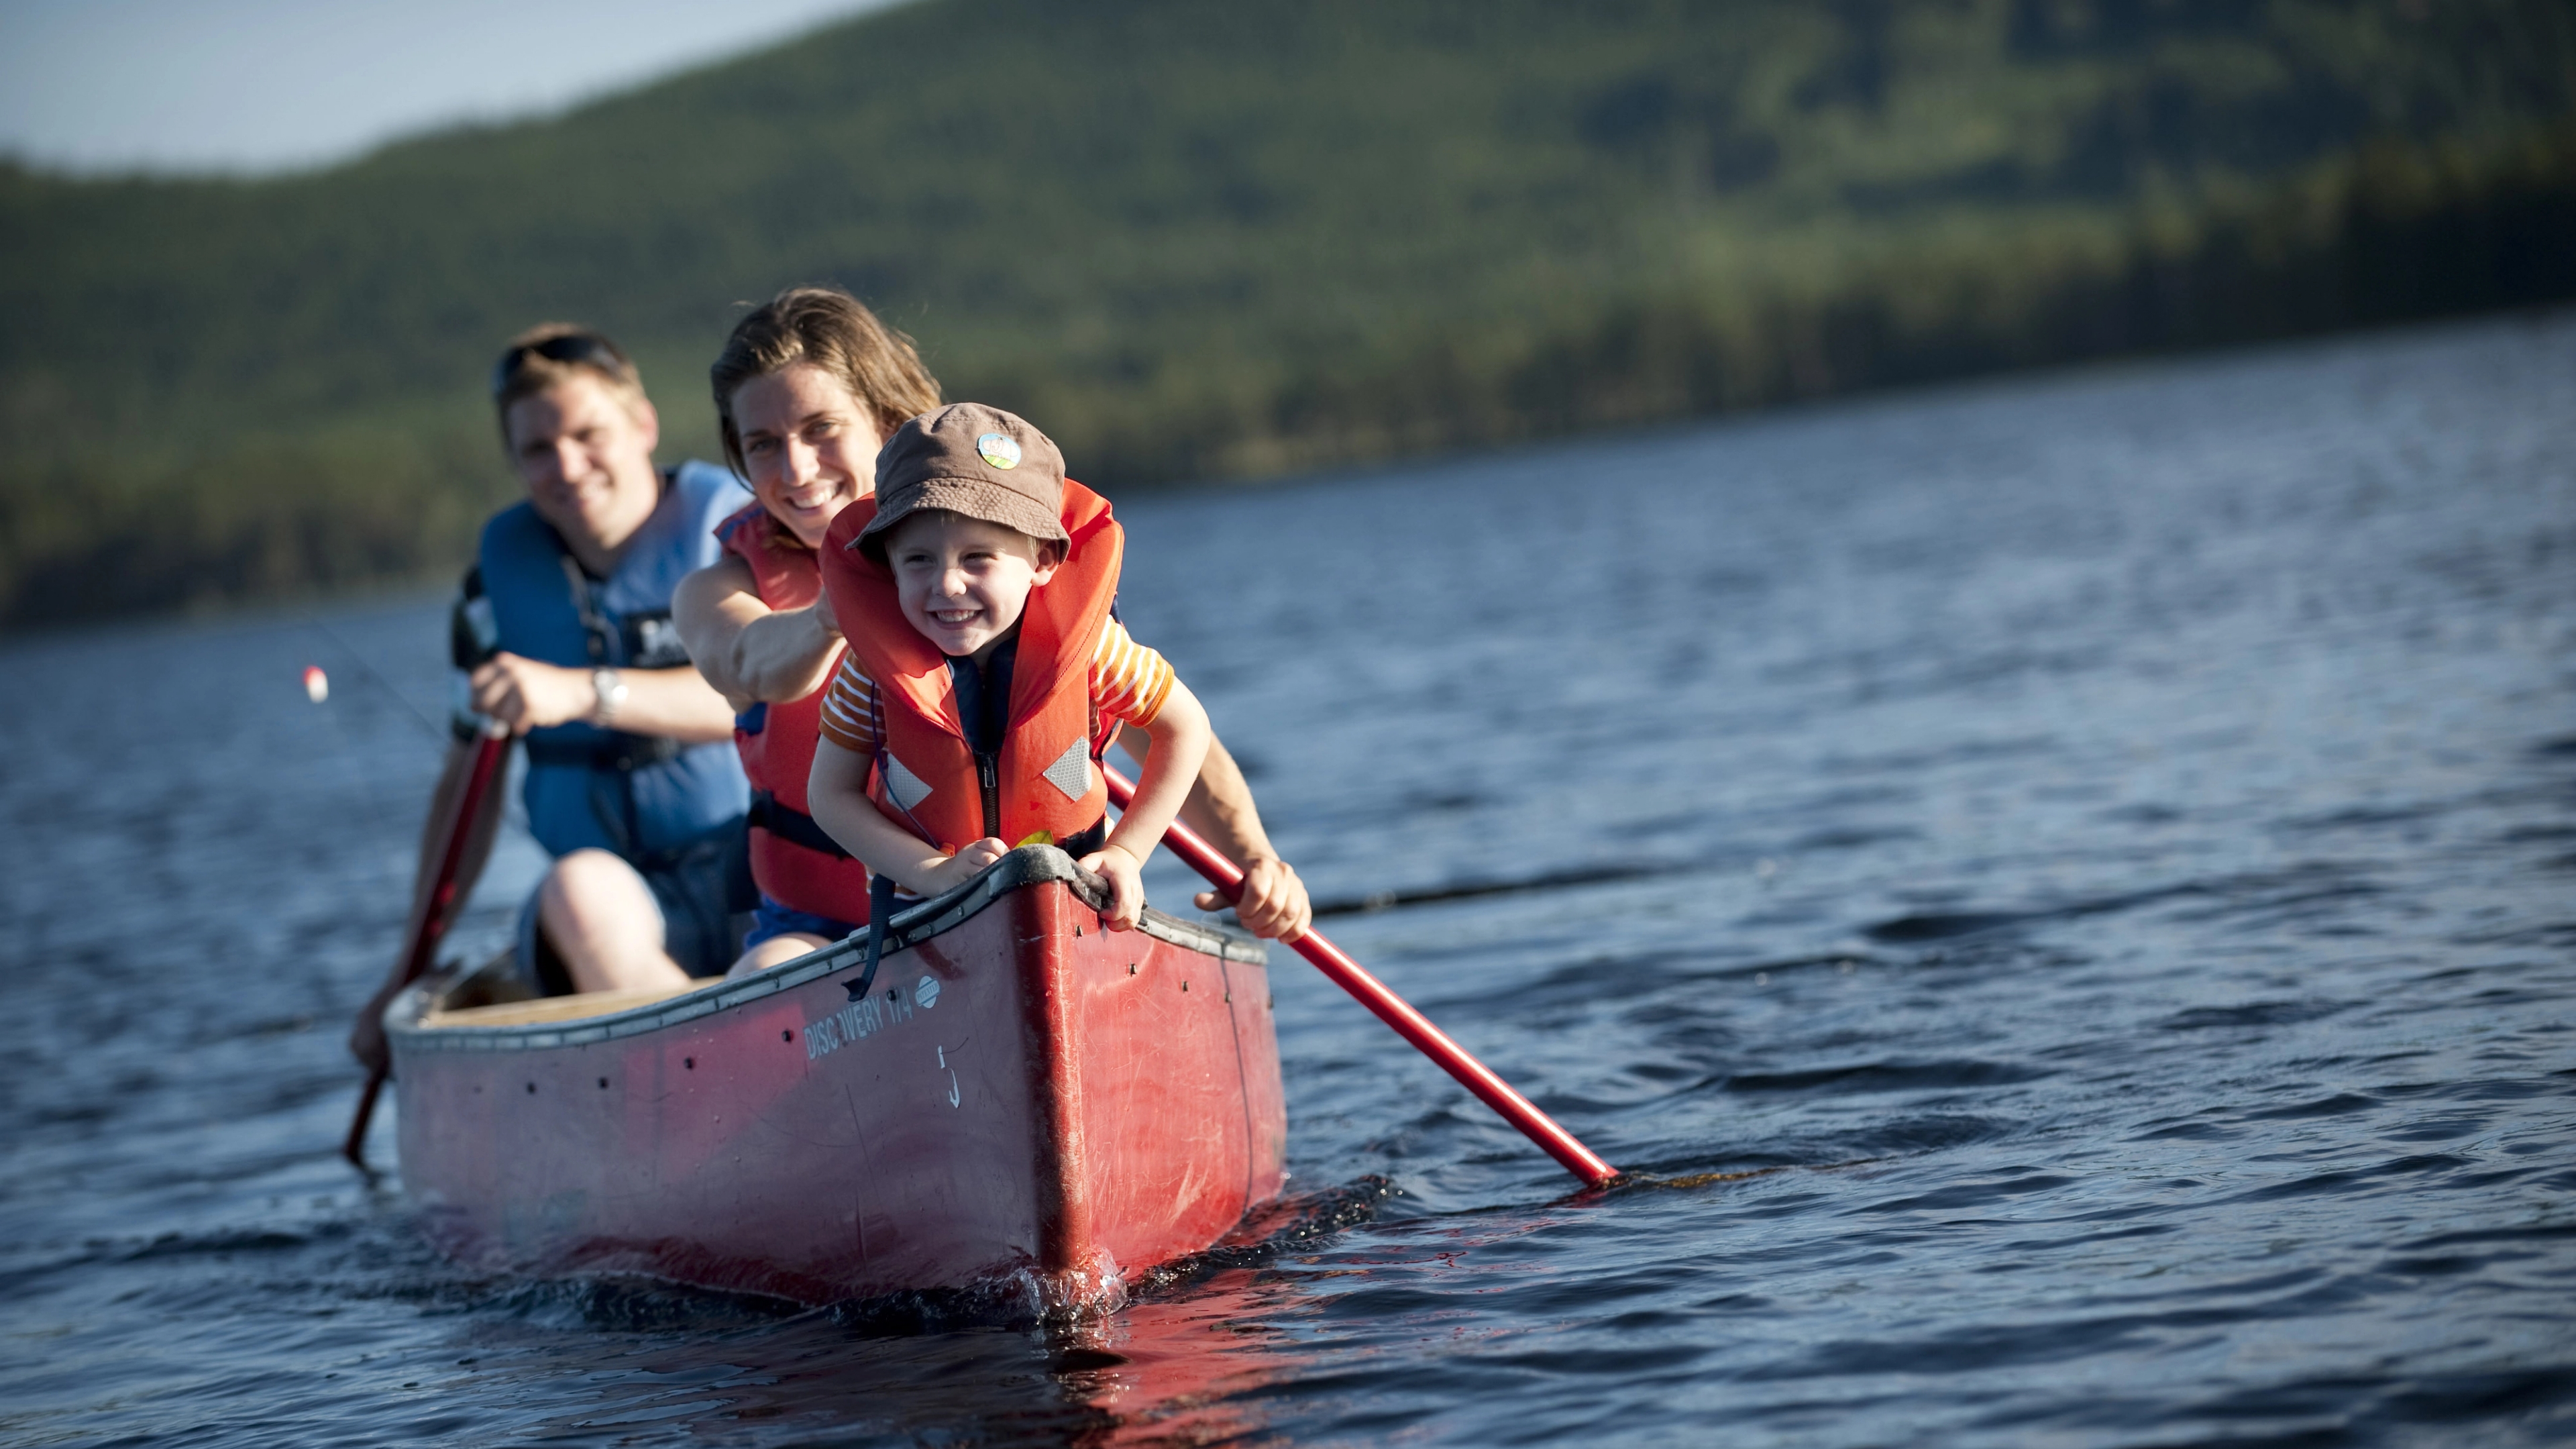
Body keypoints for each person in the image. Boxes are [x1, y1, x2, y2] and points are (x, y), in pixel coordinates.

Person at [673, 287, 1311, 975]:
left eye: (821, 429)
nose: (796, 469)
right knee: (769, 973)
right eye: (762, 444)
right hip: (823, 929)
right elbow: (748, 665)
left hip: (1029, 902)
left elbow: (1169, 727)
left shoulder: (1010, 568)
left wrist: (1254, 861)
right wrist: (849, 609)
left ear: (888, 424)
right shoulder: (718, 588)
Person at [347, 325, 750, 1074]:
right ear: (515, 461)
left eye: (588, 433)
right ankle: (719, 1076)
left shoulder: (741, 542)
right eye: (537, 449)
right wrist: (406, 970)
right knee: (577, 889)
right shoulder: (489, 600)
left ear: (643, 426)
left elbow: (768, 695)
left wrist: (581, 693)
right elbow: (467, 788)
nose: (567, 466)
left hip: (758, 862)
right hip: (615, 912)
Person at [804, 403, 1205, 930]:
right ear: (889, 567)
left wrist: (1128, 853)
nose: (948, 584)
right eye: (919, 559)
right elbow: (829, 795)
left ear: (1042, 561)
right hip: (925, 910)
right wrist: (931, 872)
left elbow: (1186, 730)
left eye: (977, 558)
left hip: (1077, 889)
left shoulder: (1094, 651)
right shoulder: (869, 673)